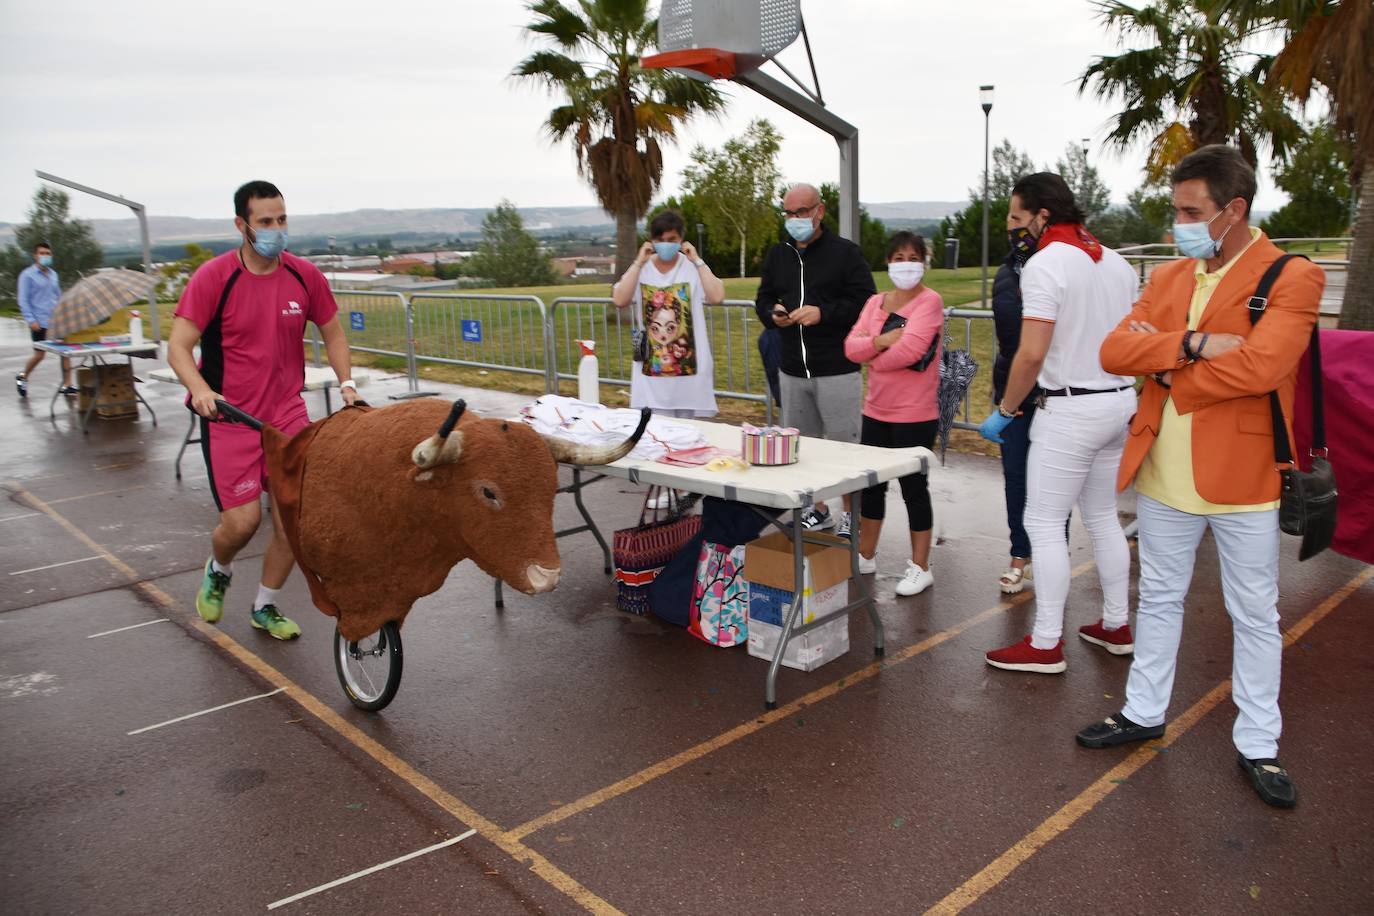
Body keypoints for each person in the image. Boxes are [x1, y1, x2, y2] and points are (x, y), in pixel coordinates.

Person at [1076, 145, 1324, 809]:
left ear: (1233, 210)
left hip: (1243, 479)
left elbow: (1263, 368)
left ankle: (1258, 742)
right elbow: (1112, 350)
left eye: (1191, 211)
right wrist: (1188, 345)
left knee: (1254, 612)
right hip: (1161, 473)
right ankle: (1143, 711)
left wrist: (1166, 373)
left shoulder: (1293, 276)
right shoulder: (1170, 277)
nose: (1176, 224)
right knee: (1158, 597)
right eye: (1176, 209)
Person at [168, 180, 359, 641]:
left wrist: (347, 384)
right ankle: (219, 568)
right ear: (242, 225)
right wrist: (199, 389)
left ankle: (265, 606)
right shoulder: (215, 278)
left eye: (282, 220)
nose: (277, 229)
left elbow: (333, 332)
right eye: (266, 222)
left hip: (286, 416)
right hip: (230, 418)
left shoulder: (303, 275)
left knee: (293, 519)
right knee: (242, 523)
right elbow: (178, 347)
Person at [978, 173, 1139, 674]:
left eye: (1015, 216)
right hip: (1118, 401)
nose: (1010, 226)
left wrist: (1006, 410)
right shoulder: (1116, 261)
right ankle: (1115, 624)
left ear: (1043, 216)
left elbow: (1031, 354)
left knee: (1042, 523)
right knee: (1102, 517)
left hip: (1070, 407)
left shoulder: (1046, 264)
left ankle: (1046, 641)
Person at [754, 182, 876, 536]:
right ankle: (816, 510)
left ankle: (850, 515)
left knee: (844, 450)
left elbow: (865, 304)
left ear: (819, 211)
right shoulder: (779, 255)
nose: (795, 219)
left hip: (837, 368)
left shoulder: (845, 254)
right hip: (792, 370)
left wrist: (824, 313)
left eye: (802, 212)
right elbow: (763, 298)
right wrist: (772, 313)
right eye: (789, 213)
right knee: (801, 448)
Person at [843, 232, 943, 596]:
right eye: (899, 256)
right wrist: (880, 342)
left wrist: (870, 354)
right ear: (888, 262)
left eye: (913, 257)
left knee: (914, 489)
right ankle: (866, 553)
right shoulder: (875, 302)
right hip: (876, 411)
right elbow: (850, 347)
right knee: (872, 487)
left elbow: (912, 352)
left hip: (915, 414)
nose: (906, 263)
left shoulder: (930, 302)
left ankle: (920, 566)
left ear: (924, 262)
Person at [612, 209, 724, 507]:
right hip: (653, 371)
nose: (666, 245)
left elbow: (716, 296)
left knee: (689, 435)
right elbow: (620, 299)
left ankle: (689, 488)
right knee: (658, 433)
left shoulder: (691, 268)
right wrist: (638, 261)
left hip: (690, 370)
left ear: (682, 240)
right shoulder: (642, 270)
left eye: (671, 239)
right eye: (660, 240)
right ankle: (666, 489)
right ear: (651, 241)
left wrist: (698, 260)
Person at [989, 214, 1044, 593]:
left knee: (1051, 484)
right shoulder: (1007, 271)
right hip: (1012, 390)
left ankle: (1049, 553)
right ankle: (1020, 555)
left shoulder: (1060, 263)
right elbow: (1011, 343)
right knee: (1017, 480)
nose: (1011, 225)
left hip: (1053, 393)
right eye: (1009, 219)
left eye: (1017, 217)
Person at [14, 242, 74, 398]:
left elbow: (58, 295)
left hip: (56, 320)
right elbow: (23, 299)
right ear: (35, 255)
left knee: (66, 351)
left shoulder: (53, 274)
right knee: (40, 355)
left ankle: (68, 385)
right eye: (42, 253)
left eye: (48, 253)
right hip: (39, 321)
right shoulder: (27, 275)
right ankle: (23, 376)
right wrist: (30, 319)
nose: (45, 256)